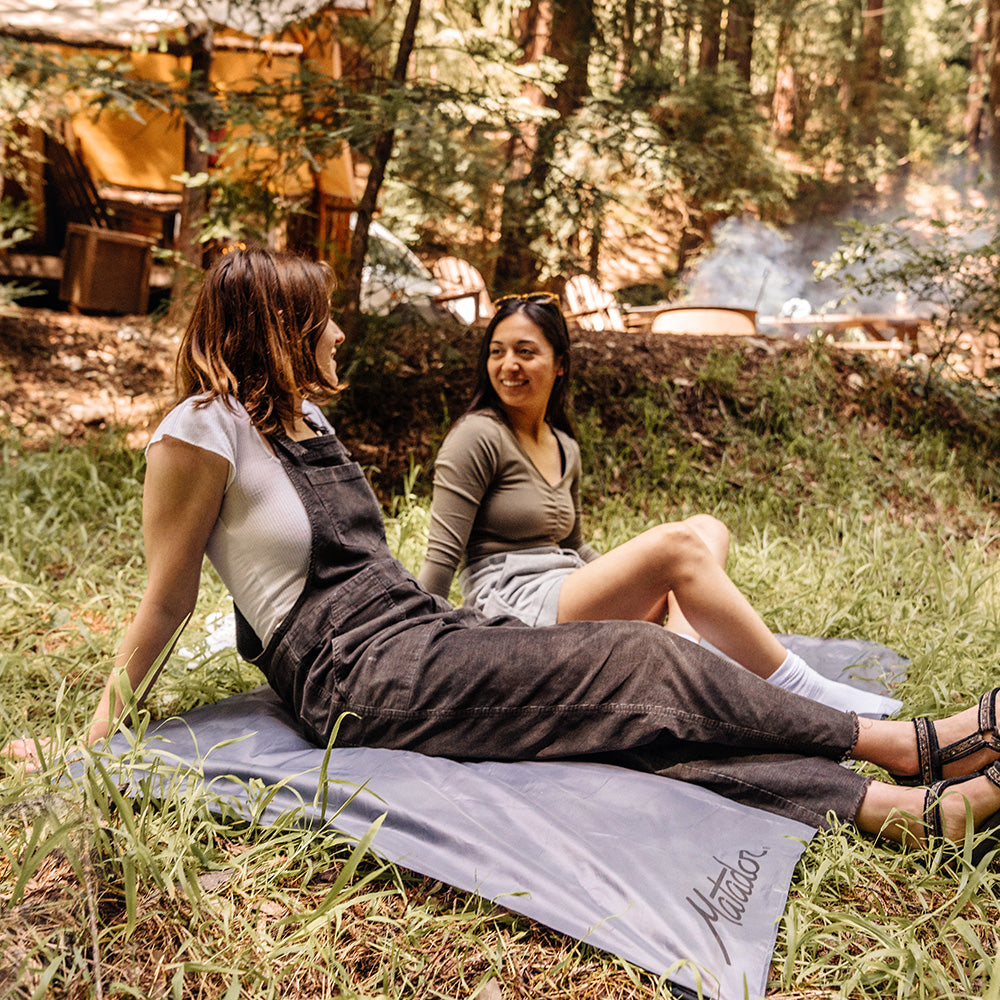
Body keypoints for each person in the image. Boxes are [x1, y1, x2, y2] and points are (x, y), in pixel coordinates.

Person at [5, 248, 1000, 854]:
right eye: (323, 317)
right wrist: (92, 741)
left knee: (619, 730)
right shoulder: (198, 429)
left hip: (411, 634)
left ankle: (897, 812)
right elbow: (167, 600)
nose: (340, 331)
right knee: (640, 660)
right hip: (355, 676)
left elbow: (376, 568)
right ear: (279, 328)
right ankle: (904, 747)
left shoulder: (303, 421)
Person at [417, 293, 899, 717]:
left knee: (707, 529)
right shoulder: (477, 435)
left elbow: (575, 547)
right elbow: (441, 557)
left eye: (526, 351)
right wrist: (417, 649)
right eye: (497, 352)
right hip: (515, 607)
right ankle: (801, 686)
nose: (508, 365)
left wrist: (637, 578)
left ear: (560, 363)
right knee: (677, 545)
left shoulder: (563, 445)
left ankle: (680, 661)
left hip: (566, 587)